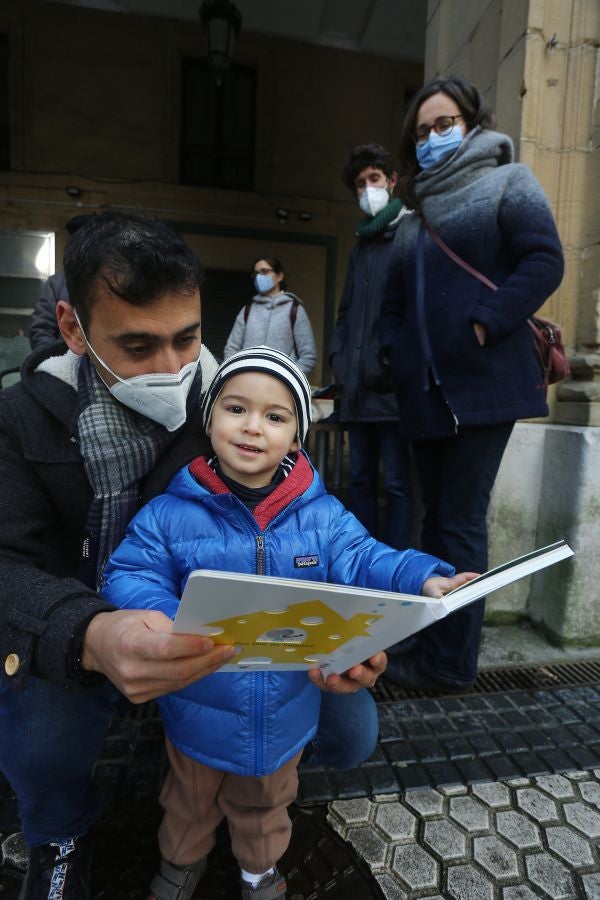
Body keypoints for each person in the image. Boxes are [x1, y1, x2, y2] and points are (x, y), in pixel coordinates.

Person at [0, 212, 386, 900]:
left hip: (223, 640)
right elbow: (6, 566)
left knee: (352, 731)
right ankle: (58, 833)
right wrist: (85, 632)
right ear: (72, 328)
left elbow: (303, 523)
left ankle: (238, 782)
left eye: (187, 338)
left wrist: (346, 626)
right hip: (82, 629)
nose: (172, 368)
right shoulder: (23, 419)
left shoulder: (231, 406)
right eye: (138, 344)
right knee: (39, 745)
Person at [101, 346, 474, 900]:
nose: (253, 427)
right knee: (187, 799)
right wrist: (165, 617)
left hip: (286, 708)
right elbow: (129, 569)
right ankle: (180, 863)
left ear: (297, 436)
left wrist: (423, 577)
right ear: (208, 420)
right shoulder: (169, 511)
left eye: (275, 416)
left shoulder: (322, 515)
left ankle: (259, 869)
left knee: (266, 803)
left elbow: (368, 557)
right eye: (235, 409)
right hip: (198, 702)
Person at [379, 76, 564, 692]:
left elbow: (544, 259)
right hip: (425, 393)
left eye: (444, 122)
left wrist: (485, 324)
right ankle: (436, 646)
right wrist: (394, 356)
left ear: (471, 120)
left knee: (459, 522)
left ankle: (449, 666)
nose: (433, 137)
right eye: (422, 130)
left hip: (485, 387)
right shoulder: (413, 218)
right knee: (435, 524)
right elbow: (395, 306)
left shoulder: (509, 182)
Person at [329, 143, 413, 549]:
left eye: (374, 179)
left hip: (394, 393)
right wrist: (339, 362)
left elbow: (415, 313)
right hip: (358, 392)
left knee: (397, 483)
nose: (367, 189)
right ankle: (362, 558)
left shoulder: (410, 235)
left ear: (392, 181)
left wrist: (392, 362)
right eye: (360, 184)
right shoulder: (360, 247)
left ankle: (396, 561)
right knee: (359, 479)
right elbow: (344, 315)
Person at [224, 256, 317, 375]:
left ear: (279, 276)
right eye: (256, 273)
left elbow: (308, 356)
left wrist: (287, 378)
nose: (259, 277)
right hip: (248, 384)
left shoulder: (295, 309)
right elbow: (231, 349)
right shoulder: (248, 309)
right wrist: (238, 374)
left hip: (281, 389)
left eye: (264, 271)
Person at [28, 213, 95, 350]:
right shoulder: (57, 283)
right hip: (64, 363)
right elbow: (41, 328)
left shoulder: (114, 280)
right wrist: (54, 364)